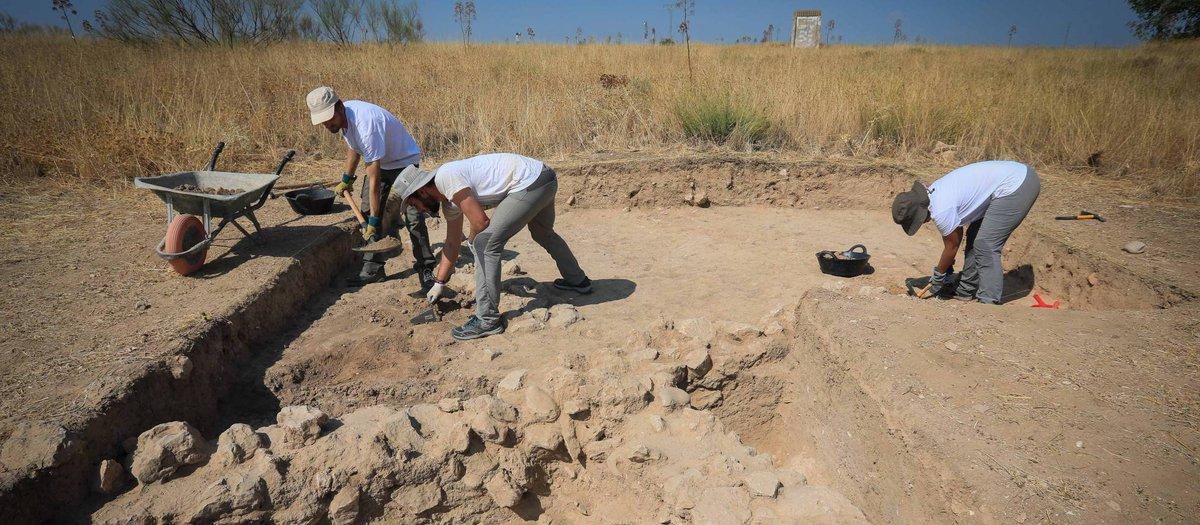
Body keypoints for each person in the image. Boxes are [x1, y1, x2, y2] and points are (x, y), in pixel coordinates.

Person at [396, 153, 592, 340]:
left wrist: (473, 240)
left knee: (485, 244)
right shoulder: (450, 203)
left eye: (414, 204)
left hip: (530, 181)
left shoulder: (445, 178)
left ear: (421, 191)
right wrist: (439, 283)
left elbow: (481, 222)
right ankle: (577, 281)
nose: (419, 210)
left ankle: (487, 320)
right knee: (543, 233)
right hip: (543, 176)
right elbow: (452, 243)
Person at [305, 86, 437, 288]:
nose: (327, 124)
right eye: (322, 121)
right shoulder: (344, 119)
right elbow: (354, 147)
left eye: (329, 118)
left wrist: (376, 220)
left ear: (339, 107)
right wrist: (347, 178)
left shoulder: (366, 124)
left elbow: (374, 181)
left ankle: (426, 266)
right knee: (367, 212)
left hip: (404, 161)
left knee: (413, 215)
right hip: (382, 161)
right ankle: (373, 269)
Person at [891, 160, 1040, 304]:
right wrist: (947, 266)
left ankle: (989, 301)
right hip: (1014, 178)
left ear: (920, 213)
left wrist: (939, 276)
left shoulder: (941, 210)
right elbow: (957, 235)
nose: (921, 223)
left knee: (985, 244)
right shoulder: (934, 196)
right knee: (975, 234)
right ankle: (965, 290)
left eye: (917, 221)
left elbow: (952, 246)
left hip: (1017, 185)